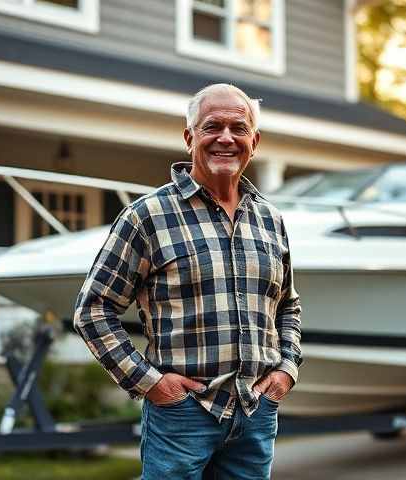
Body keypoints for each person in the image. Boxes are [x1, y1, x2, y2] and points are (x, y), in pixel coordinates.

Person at [73, 83, 302, 479]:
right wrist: (152, 383)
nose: (226, 138)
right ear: (189, 137)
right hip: (182, 416)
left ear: (255, 140)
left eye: (239, 128)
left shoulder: (270, 219)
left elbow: (288, 306)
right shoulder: (146, 216)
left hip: (255, 414)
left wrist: (286, 371)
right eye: (212, 126)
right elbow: (93, 310)